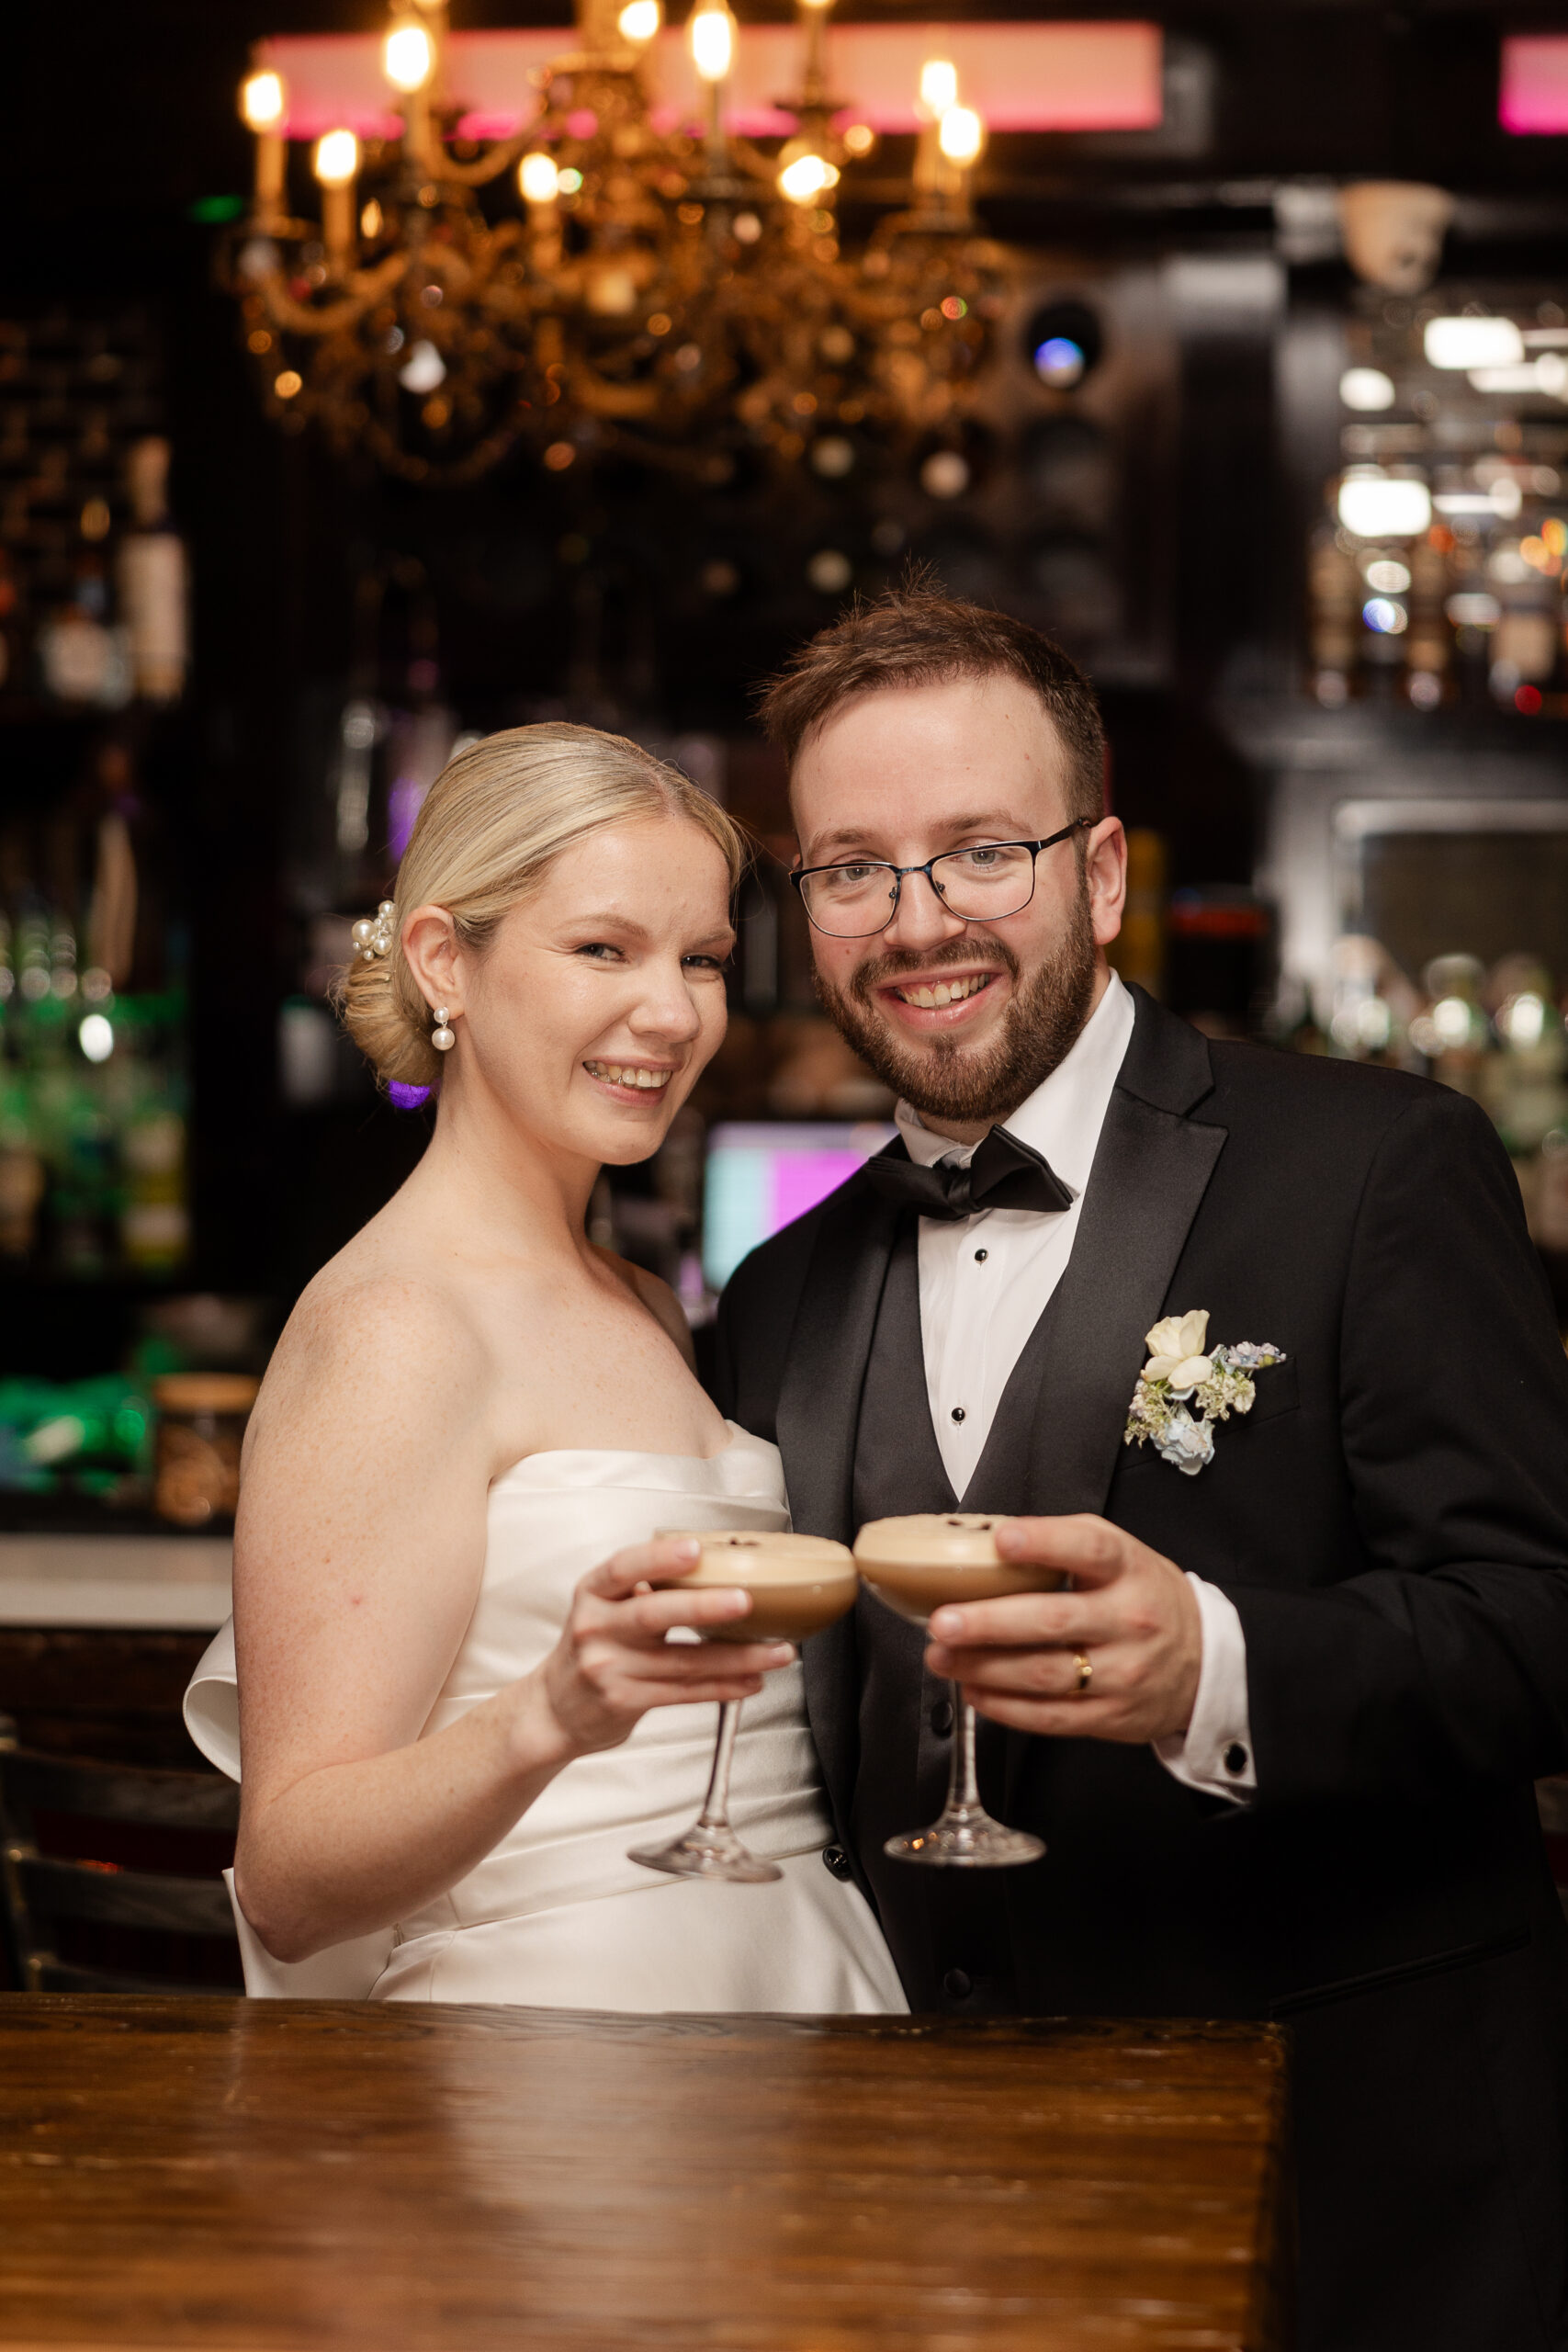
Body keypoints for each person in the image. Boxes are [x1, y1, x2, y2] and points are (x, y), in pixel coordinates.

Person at [714, 585, 1568, 2352]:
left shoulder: (1377, 1166)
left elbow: (1537, 1631)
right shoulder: (779, 1295)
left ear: (1101, 875)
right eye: (853, 868)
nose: (917, 920)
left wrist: (1220, 1672)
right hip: (922, 2210)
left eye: (980, 853)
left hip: (1349, 2189)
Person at [184, 722, 902, 2016]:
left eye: (702, 960)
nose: (673, 1014)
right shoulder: (394, 1329)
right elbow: (288, 1883)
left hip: (801, 1992)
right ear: (445, 961)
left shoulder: (643, 1305)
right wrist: (553, 1712)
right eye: (602, 950)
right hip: (556, 2053)